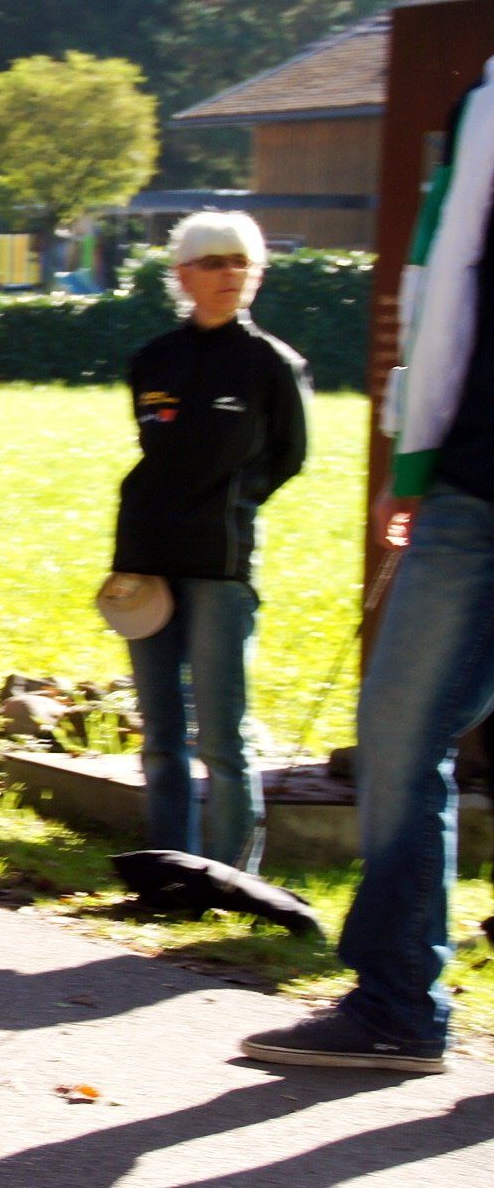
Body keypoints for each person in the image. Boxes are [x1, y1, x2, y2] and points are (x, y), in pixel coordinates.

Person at [244, 60, 494, 1074]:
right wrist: (416, 457)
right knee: (396, 734)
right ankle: (397, 1003)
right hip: (473, 484)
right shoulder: (487, 102)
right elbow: (443, 281)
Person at [110, 211, 308, 873]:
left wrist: (232, 503)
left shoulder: (273, 365)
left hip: (220, 566)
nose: (230, 274)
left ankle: (231, 880)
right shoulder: (152, 359)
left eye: (241, 261)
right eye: (214, 262)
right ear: (184, 276)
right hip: (146, 564)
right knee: (161, 736)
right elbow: (153, 450)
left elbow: (288, 457)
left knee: (223, 738)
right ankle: (168, 869)